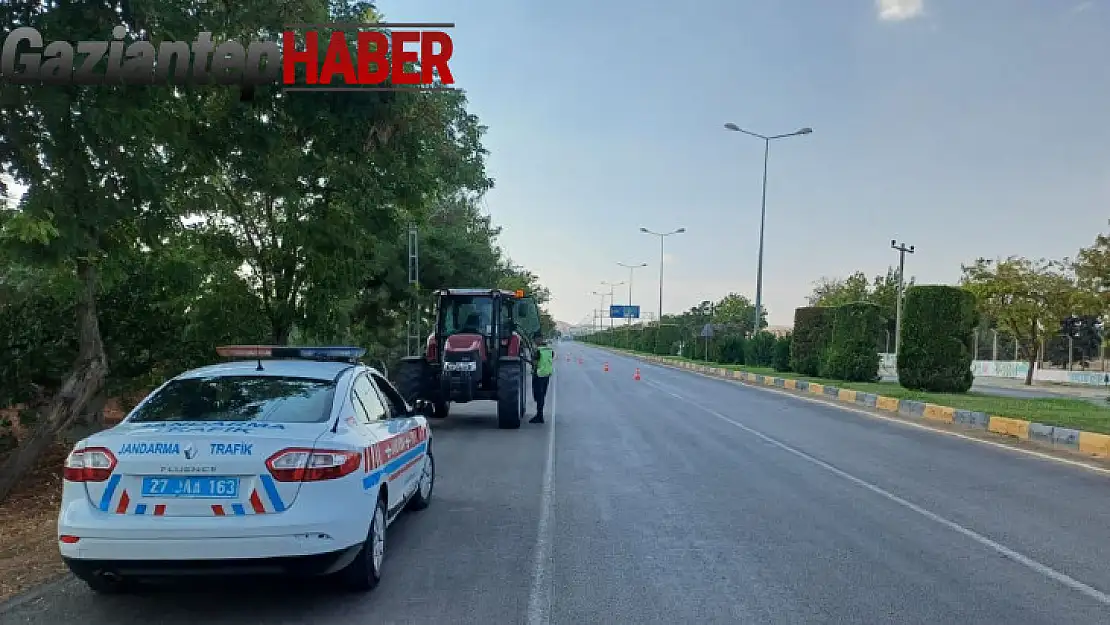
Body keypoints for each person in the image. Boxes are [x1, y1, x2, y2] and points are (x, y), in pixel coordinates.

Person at [528, 336, 555, 424]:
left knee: (538, 396)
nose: (535, 342)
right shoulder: (549, 350)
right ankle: (540, 415)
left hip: (538, 375)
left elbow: (535, 362)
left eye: (535, 340)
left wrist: (533, 365)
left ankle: (539, 416)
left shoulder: (537, 351)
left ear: (537, 340)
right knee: (542, 395)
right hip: (546, 374)